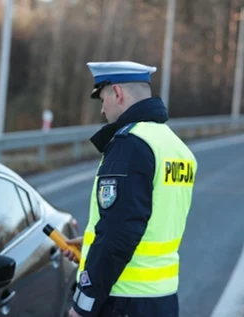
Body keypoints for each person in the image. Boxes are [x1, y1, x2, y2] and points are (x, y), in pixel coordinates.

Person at [65, 61, 198, 317]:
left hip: (123, 299)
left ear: (117, 93)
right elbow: (151, 222)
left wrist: (84, 304)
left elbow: (119, 233)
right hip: (162, 298)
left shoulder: (131, 144)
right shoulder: (176, 147)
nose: (102, 109)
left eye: (102, 98)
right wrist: (92, 246)